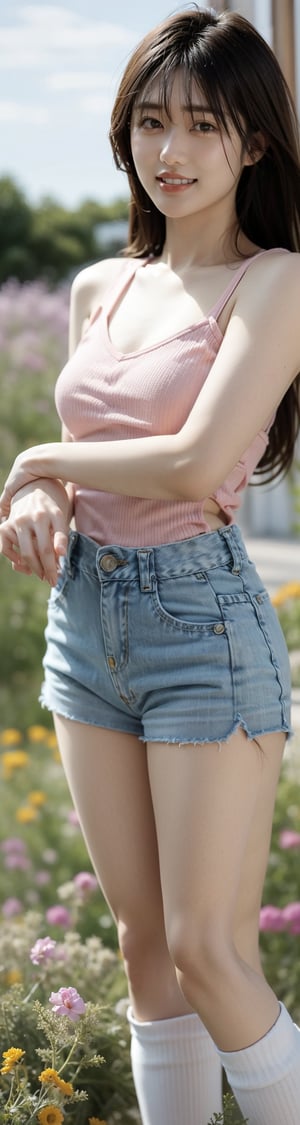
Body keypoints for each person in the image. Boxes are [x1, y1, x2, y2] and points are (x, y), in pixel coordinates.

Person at [1, 7, 300, 1123]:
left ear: (254, 143)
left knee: (210, 951)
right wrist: (40, 491)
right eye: (149, 123)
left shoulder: (274, 282)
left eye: (203, 127)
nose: (169, 153)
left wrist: (32, 454)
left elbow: (193, 463)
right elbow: (84, 463)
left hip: (203, 626)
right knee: (143, 951)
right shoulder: (98, 288)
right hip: (86, 626)